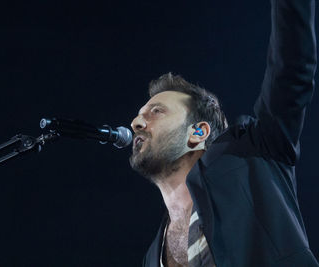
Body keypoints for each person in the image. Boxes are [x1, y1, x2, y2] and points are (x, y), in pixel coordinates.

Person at [129, 0, 319, 266]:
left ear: (197, 132)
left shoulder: (254, 151)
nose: (137, 122)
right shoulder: (152, 257)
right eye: (140, 115)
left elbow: (292, 70)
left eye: (156, 111)